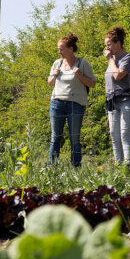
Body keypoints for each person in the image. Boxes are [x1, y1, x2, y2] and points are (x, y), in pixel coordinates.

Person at [47, 33, 96, 167]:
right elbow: (50, 83)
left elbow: (92, 83)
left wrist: (79, 75)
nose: (59, 52)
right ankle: (52, 167)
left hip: (76, 105)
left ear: (71, 49)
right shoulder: (57, 63)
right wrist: (54, 76)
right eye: (59, 49)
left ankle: (76, 167)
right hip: (57, 103)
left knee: (74, 137)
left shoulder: (82, 63)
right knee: (55, 137)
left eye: (62, 49)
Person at [103, 26, 130, 170]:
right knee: (114, 135)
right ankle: (118, 167)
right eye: (106, 45)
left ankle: (128, 167)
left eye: (109, 44)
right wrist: (107, 113)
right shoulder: (113, 60)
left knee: (124, 134)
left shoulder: (127, 57)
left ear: (118, 43)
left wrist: (110, 59)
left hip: (126, 100)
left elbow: (117, 75)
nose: (107, 48)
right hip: (112, 102)